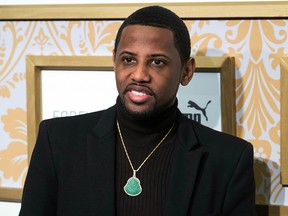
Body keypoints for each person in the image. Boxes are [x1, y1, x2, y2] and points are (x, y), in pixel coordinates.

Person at [19, 5, 256, 216]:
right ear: (114, 61)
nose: (139, 75)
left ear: (186, 71)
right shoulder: (58, 140)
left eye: (157, 62)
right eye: (129, 59)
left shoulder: (229, 159)